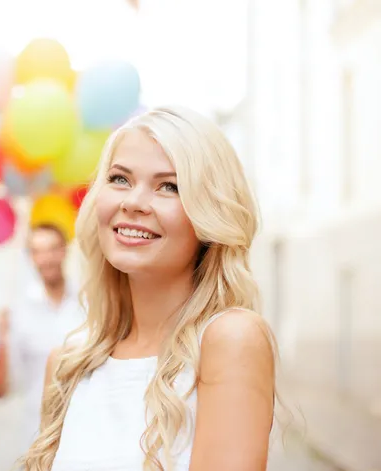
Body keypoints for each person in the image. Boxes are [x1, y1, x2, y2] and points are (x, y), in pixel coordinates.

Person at [20, 106, 277, 471]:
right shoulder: (66, 365)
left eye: (169, 186)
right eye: (120, 179)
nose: (133, 202)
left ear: (208, 216)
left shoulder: (229, 341)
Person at [0, 223, 85, 456]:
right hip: (37, 435)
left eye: (53, 249)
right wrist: (2, 338)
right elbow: (0, 389)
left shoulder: (90, 303)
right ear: (31, 257)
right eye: (38, 251)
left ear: (64, 251)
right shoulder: (18, 313)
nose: (46, 259)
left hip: (86, 428)